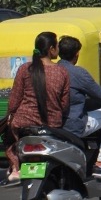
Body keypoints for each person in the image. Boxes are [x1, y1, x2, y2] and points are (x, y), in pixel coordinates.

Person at [2, 32, 69, 187]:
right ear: (51, 49)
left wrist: (10, 115)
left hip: (23, 123)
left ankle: (15, 168)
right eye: (57, 46)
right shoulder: (61, 71)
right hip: (51, 125)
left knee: (10, 138)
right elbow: (64, 104)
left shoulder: (25, 69)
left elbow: (14, 101)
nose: (58, 50)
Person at [57, 36, 101, 179]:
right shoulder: (78, 73)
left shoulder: (51, 71)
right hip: (73, 126)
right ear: (77, 54)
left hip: (53, 126)